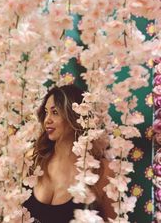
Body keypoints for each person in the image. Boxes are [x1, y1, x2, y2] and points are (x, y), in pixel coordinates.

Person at [23, 84, 116, 223]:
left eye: (55, 113)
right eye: (46, 112)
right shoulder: (33, 159)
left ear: (75, 116)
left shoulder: (102, 171)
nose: (47, 120)